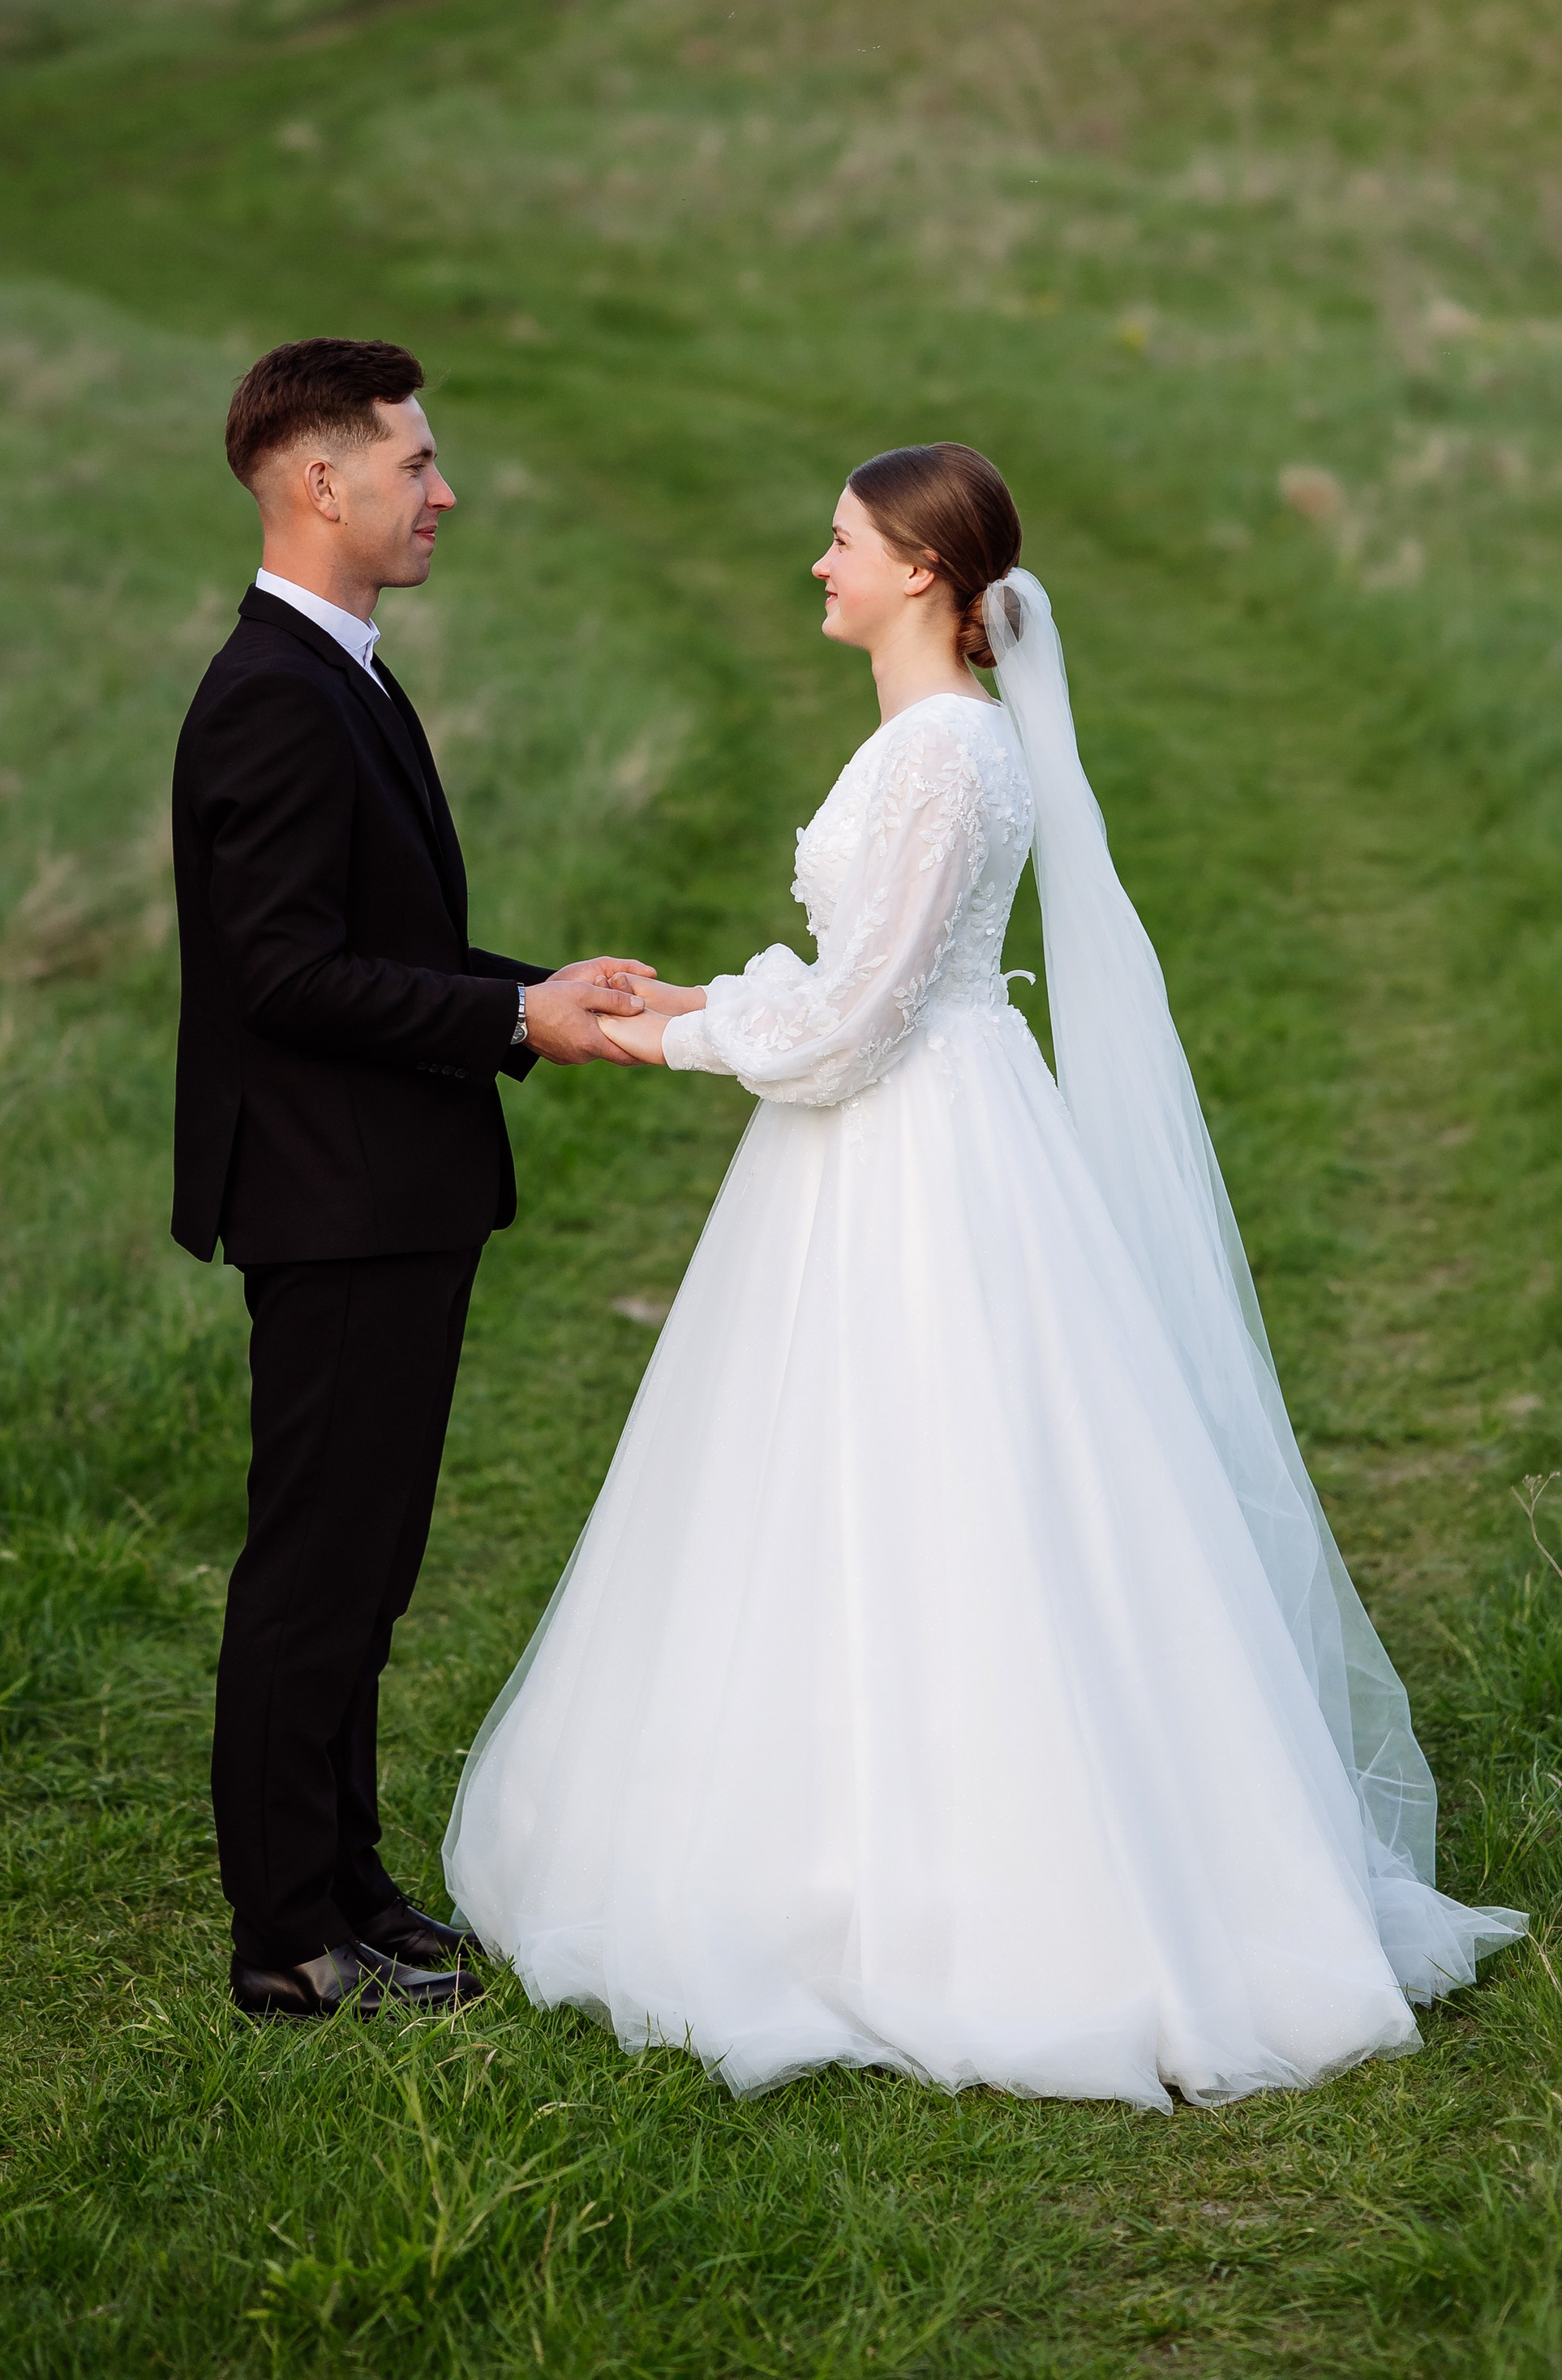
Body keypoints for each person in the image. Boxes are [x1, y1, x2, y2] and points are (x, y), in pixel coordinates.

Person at [445, 443, 1523, 2105]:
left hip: (912, 1150)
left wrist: (666, 1043)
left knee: (937, 1478)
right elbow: (854, 976)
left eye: (840, 542)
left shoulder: (943, 754)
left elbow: (853, 1021)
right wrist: (692, 1003)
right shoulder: (929, 740)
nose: (817, 565)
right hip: (908, 1121)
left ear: (923, 577)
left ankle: (992, 1891)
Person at [172, 337, 654, 2022]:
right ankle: (285, 1938)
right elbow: (283, 973)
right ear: (321, 480)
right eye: (415, 463)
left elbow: (382, 948)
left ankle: (348, 1880)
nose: (443, 491)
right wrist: (507, 1013)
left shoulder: (341, 671)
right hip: (330, 1195)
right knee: (314, 1563)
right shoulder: (270, 696)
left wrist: (538, 992)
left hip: (386, 1182)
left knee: (367, 1564)